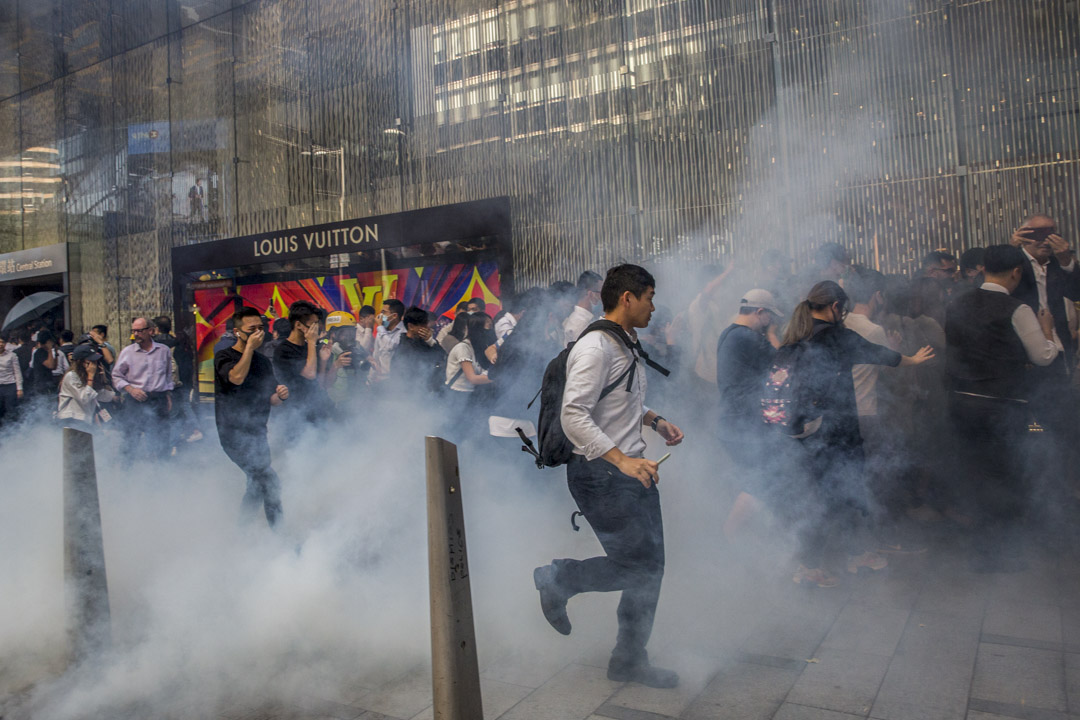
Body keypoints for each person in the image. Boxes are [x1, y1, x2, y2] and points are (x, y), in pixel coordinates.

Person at [533, 264, 685, 689]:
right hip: (601, 474)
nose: (654, 307)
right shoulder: (596, 347)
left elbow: (620, 401)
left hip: (629, 471)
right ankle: (558, 578)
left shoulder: (625, 342)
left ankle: (629, 659)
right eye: (650, 298)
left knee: (649, 568)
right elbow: (573, 415)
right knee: (639, 568)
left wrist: (655, 422)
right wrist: (622, 461)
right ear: (627, 298)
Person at [778, 281, 934, 588]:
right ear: (836, 307)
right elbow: (879, 353)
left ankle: (855, 553)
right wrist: (913, 360)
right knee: (833, 496)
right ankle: (809, 566)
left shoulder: (797, 334)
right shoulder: (837, 337)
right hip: (836, 432)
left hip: (804, 432)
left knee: (836, 494)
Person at [945, 245, 1059, 571]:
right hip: (1004, 407)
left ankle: (981, 550)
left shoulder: (955, 304)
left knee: (976, 475)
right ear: (1016, 272)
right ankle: (1002, 553)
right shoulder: (1017, 308)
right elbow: (1042, 356)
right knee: (1007, 476)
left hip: (963, 403)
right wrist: (1048, 330)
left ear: (983, 269)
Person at [715, 290, 782, 537]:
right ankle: (729, 537)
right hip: (742, 423)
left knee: (758, 479)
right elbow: (784, 362)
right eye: (770, 317)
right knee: (761, 482)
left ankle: (752, 536)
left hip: (733, 422)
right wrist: (773, 335)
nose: (771, 323)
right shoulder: (747, 337)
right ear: (760, 312)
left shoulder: (729, 333)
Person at [214, 307, 290, 527]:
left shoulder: (263, 362)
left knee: (257, 484)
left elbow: (271, 399)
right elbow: (235, 378)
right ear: (238, 332)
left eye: (261, 328)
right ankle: (279, 533)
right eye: (252, 329)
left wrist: (281, 395)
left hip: (257, 432)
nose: (258, 333)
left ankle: (243, 531)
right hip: (232, 433)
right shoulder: (224, 356)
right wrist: (248, 349)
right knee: (269, 480)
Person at [112, 317, 175, 455]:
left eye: (139, 331)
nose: (136, 334)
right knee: (131, 439)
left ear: (151, 331)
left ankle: (162, 470)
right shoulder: (127, 352)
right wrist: (130, 389)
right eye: (134, 331)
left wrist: (168, 395)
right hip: (135, 400)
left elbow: (168, 375)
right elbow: (116, 376)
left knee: (161, 438)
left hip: (158, 399)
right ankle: (127, 471)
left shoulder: (163, 351)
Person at [273, 300, 333, 424]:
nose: (316, 329)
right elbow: (309, 374)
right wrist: (311, 342)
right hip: (296, 415)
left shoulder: (311, 348)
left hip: (316, 412)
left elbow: (319, 384)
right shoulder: (284, 350)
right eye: (313, 325)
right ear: (298, 325)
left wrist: (323, 361)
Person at [57, 344, 116, 431]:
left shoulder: (87, 377)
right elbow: (85, 398)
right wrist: (91, 376)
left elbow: (102, 395)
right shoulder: (72, 376)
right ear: (82, 363)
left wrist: (103, 379)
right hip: (72, 419)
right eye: (92, 362)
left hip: (85, 421)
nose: (95, 365)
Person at [392, 306, 445, 402]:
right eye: (423, 325)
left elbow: (442, 356)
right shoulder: (404, 348)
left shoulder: (423, 341)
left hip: (425, 394)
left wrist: (430, 341)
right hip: (412, 397)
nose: (427, 328)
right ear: (411, 326)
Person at [562, 270, 603, 347]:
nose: (602, 298)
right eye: (600, 293)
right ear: (590, 294)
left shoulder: (586, 319)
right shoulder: (580, 322)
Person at [371, 299, 406, 382]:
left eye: (384, 312)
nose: (381, 315)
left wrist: (380, 327)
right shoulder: (381, 333)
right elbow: (375, 357)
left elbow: (391, 345)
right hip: (381, 380)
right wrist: (370, 380)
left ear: (394, 316)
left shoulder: (404, 332)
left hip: (397, 381)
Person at [0, 332, 23, 428]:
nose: (0, 344)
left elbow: (17, 372)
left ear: (5, 344)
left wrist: (19, 389)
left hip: (10, 386)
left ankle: (11, 432)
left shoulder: (12, 355)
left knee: (10, 410)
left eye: (2, 342)